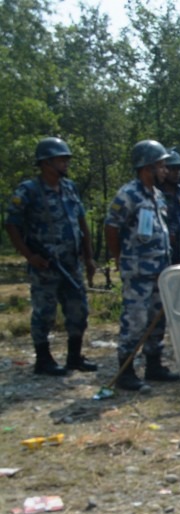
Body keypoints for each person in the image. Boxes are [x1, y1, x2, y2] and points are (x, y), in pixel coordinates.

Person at [5, 136, 97, 375]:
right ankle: (43, 360)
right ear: (46, 162)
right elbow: (11, 224)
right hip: (45, 264)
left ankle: (74, 357)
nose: (66, 163)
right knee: (44, 312)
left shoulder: (70, 187)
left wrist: (88, 257)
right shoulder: (29, 190)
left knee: (79, 309)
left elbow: (81, 222)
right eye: (61, 159)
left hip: (71, 262)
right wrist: (29, 256)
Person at [104, 140, 180, 391]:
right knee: (134, 321)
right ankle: (126, 372)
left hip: (159, 272)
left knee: (156, 321)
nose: (165, 170)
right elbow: (111, 228)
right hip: (138, 272)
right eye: (161, 165)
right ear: (147, 167)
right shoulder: (128, 195)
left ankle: (154, 366)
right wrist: (120, 257)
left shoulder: (158, 196)